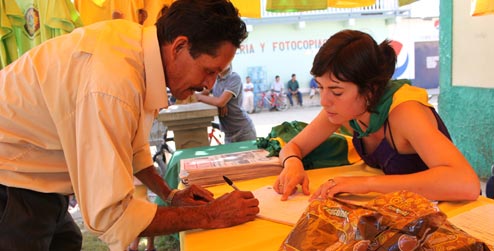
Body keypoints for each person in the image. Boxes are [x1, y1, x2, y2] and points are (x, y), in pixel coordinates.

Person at [0, 1, 259, 250]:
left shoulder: (135, 50)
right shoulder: (113, 83)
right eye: (208, 70)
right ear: (179, 46)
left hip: (34, 175)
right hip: (10, 176)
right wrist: (210, 216)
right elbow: (111, 216)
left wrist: (170, 196)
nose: (210, 85)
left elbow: (133, 148)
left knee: (67, 241)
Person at [274, 29, 480, 202]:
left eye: (336, 91)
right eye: (320, 87)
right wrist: (293, 164)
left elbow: (466, 183)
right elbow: (294, 146)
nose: (324, 100)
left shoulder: (405, 111)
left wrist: (365, 184)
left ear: (370, 89)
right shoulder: (345, 109)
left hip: (453, 212)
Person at [195, 65, 257, 143]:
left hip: (243, 131)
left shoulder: (234, 77)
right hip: (228, 133)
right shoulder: (215, 79)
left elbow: (220, 101)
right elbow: (206, 93)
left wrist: (198, 97)